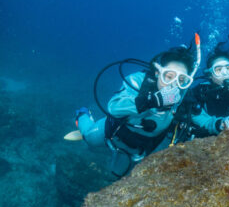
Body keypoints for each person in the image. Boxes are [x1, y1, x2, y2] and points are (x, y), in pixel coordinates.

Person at [73, 38, 200, 177]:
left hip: (139, 149)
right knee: (88, 137)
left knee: (116, 175)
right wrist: (151, 101)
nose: (173, 85)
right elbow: (113, 107)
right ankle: (83, 115)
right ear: (158, 73)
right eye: (169, 77)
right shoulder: (138, 81)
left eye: (181, 80)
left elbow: (196, 121)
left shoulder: (183, 98)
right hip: (114, 130)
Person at [173, 36, 229, 142]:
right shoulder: (199, 93)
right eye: (218, 70)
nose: (225, 73)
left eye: (228, 68)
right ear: (210, 74)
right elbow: (197, 117)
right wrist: (220, 124)